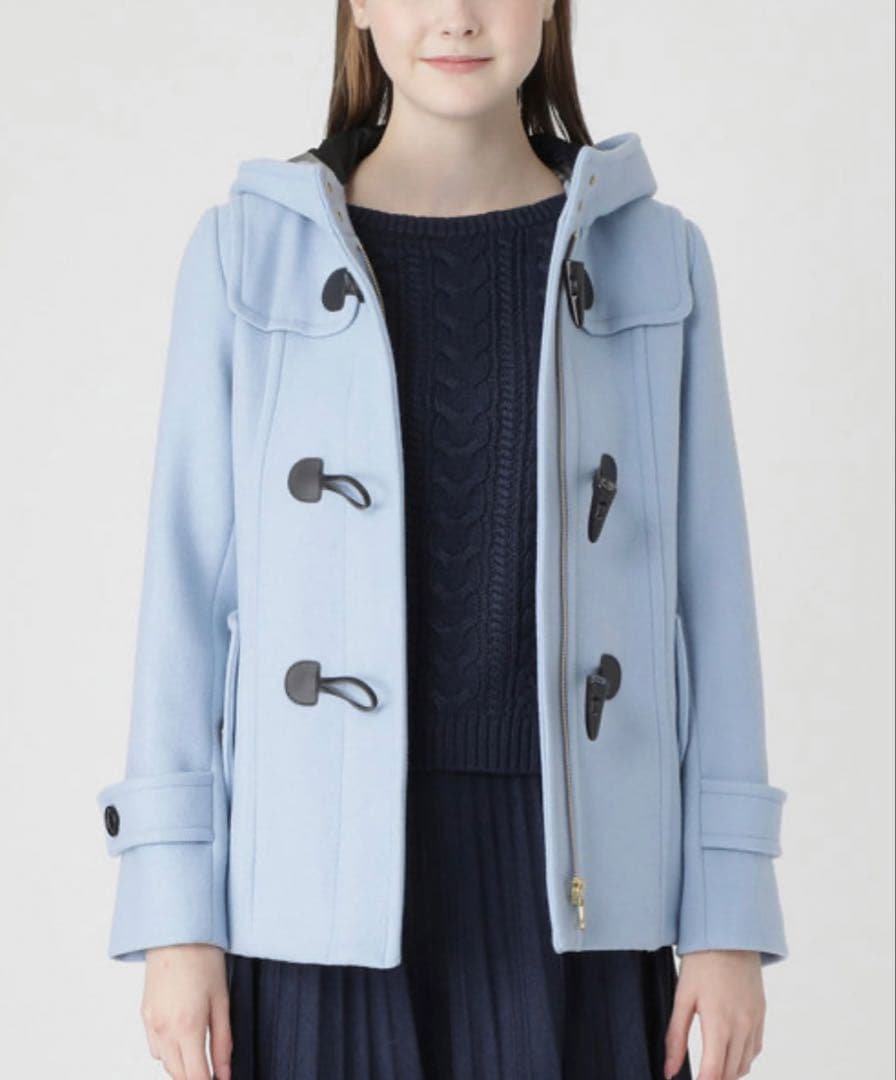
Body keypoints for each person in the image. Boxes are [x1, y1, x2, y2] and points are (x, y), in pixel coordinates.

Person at [96, 1, 790, 1077]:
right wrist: (175, 916)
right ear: (359, 8)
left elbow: (712, 597)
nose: (456, 18)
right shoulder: (245, 255)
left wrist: (727, 915)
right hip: (316, 892)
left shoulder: (656, 257)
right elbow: (185, 596)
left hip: (579, 886)